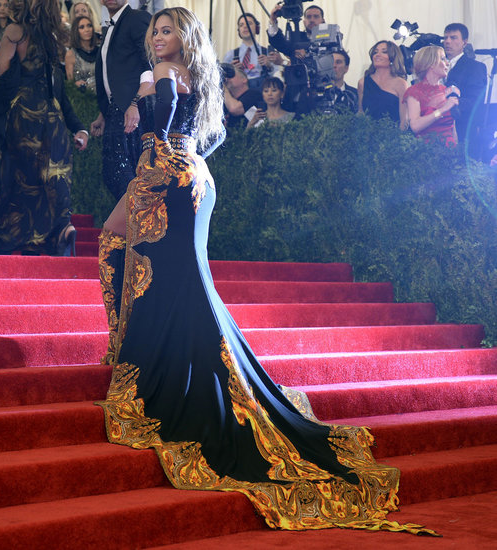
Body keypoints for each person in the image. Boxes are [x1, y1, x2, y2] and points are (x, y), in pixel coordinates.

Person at [95, 6, 437, 537]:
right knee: (155, 265)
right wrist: (158, 120)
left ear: (185, 37)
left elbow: (159, 123)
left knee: (163, 275)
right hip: (191, 175)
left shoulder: (165, 73)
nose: (157, 38)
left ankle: (151, 364)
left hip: (165, 177)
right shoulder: (197, 76)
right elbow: (208, 136)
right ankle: (143, 353)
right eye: (154, 32)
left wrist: (146, 107)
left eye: (167, 31)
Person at [0, 0, 88, 256]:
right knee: (51, 178)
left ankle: (25, 239)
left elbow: (0, 72)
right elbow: (58, 87)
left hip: (24, 116)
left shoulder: (15, 31)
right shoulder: (54, 37)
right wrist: (78, 128)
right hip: (53, 118)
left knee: (22, 181)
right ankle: (62, 227)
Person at [90, 0, 151, 200]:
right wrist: (104, 113)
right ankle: (133, 218)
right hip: (115, 112)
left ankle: (139, 218)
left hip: (133, 113)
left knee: (127, 176)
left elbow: (150, 65)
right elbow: (114, 75)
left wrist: (135, 103)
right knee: (113, 175)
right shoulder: (109, 27)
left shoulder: (137, 18)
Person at [443, 23, 487, 157]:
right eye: (445, 38)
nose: (447, 41)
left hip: (463, 129)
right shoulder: (435, 65)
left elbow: (475, 100)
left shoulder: (475, 67)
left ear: (464, 42)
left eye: (453, 37)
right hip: (438, 129)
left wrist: (449, 104)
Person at [404, 45, 459, 147]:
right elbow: (415, 126)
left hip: (449, 148)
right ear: (431, 64)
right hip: (428, 150)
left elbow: (453, 128)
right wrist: (443, 109)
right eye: (442, 59)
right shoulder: (414, 91)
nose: (447, 63)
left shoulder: (447, 91)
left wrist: (457, 150)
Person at [358, 40, 409, 130]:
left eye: (384, 52)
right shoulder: (363, 82)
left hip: (392, 135)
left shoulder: (401, 84)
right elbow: (361, 113)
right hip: (368, 134)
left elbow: (404, 120)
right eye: (375, 52)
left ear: (393, 57)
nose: (378, 55)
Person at [222, 12, 274, 90]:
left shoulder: (267, 53)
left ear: (257, 28)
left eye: (249, 23)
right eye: (241, 25)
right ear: (239, 31)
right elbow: (222, 80)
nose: (245, 27)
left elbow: (277, 77)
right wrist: (231, 72)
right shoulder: (230, 55)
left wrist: (269, 66)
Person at [65, 15, 98, 92]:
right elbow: (70, 84)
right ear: (76, 31)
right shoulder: (71, 54)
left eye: (89, 26)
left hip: (103, 93)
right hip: (84, 96)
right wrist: (76, 84)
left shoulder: (100, 50)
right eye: (82, 27)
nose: (87, 30)